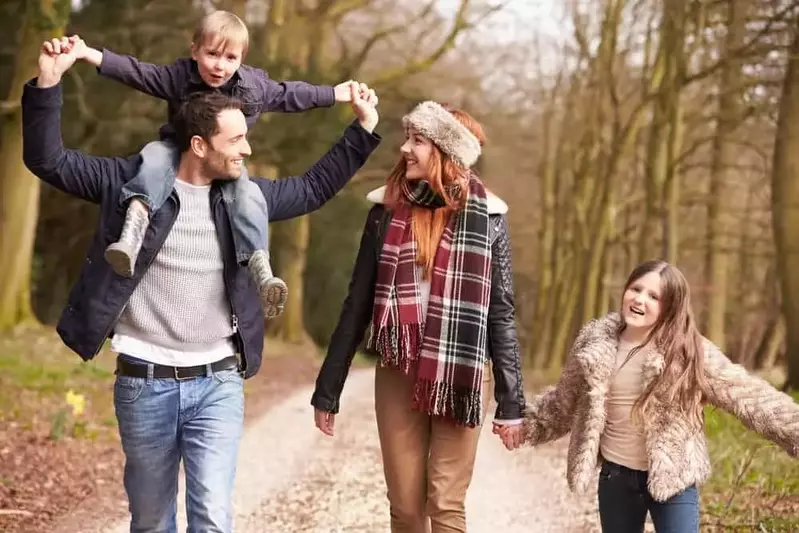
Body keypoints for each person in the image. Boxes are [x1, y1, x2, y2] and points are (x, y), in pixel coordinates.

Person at [23, 36, 380, 532]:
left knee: (211, 516)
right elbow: (50, 162)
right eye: (236, 141)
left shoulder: (244, 199)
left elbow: (313, 188)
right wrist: (48, 82)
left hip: (218, 382)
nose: (248, 148)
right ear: (199, 145)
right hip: (143, 382)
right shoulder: (128, 183)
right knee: (151, 521)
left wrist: (363, 130)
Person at [311, 100, 526, 532]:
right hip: (399, 369)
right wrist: (328, 388)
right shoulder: (384, 214)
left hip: (461, 370)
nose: (405, 148)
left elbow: (500, 312)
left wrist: (511, 401)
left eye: (418, 140)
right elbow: (358, 304)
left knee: (445, 503)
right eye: (408, 138)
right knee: (407, 508)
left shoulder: (490, 220)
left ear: (447, 153)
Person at [69, 10, 364, 317]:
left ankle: (260, 266)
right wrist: (89, 54)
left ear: (241, 60)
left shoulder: (253, 87)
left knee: (246, 195)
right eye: (212, 54)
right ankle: (132, 234)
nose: (220, 66)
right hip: (178, 150)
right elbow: (136, 72)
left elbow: (290, 95)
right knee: (153, 161)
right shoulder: (179, 78)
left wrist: (334, 93)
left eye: (230, 58)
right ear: (194, 49)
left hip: (223, 162)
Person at [505, 259, 799, 533]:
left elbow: (749, 395)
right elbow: (563, 402)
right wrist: (525, 426)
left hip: (674, 479)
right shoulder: (595, 343)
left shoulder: (687, 352)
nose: (639, 299)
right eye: (636, 289)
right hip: (616, 479)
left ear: (670, 307)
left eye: (653, 296)